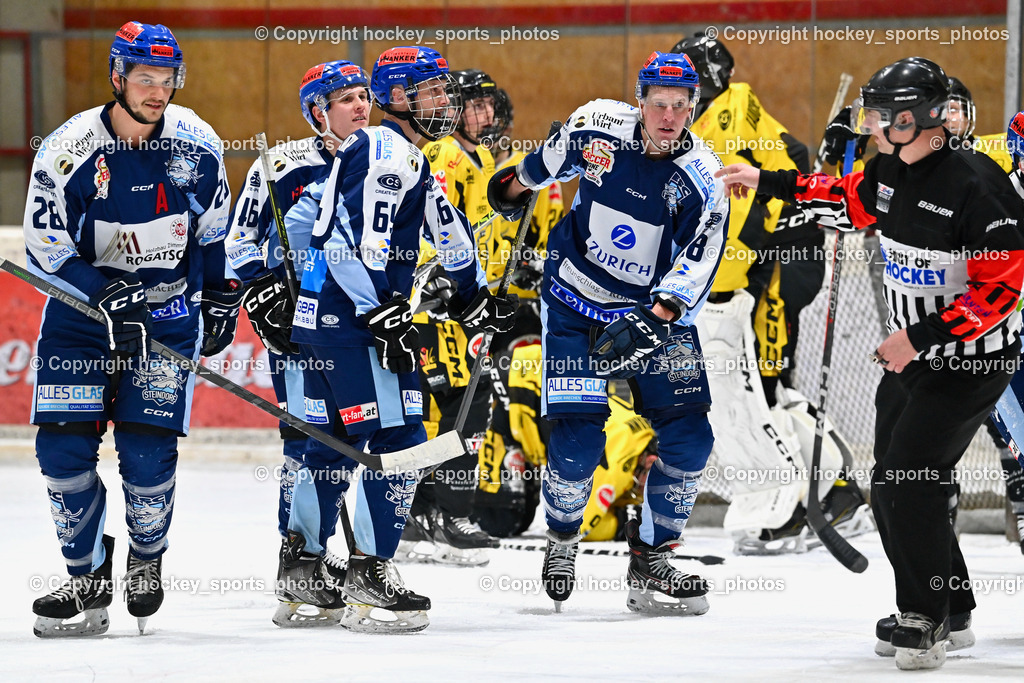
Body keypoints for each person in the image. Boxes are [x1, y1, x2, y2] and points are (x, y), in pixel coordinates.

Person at [718, 57, 1024, 670]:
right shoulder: (889, 170)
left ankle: (924, 617)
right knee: (895, 482)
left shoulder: (976, 184)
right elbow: (843, 194)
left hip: (969, 363)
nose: (872, 126)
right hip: (913, 358)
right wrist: (764, 179)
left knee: (903, 479)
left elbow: (1002, 288)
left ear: (921, 119)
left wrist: (920, 337)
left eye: (884, 117)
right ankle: (953, 604)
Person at [487, 51, 728, 615]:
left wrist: (656, 318)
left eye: (680, 107)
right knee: (575, 447)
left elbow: (699, 262)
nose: (668, 116)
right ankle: (564, 534)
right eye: (658, 104)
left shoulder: (703, 180)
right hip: (574, 301)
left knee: (692, 440)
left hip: (655, 313)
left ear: (693, 109)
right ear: (639, 101)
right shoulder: (597, 124)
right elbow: (540, 167)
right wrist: (513, 185)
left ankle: (652, 561)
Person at [289, 45, 516, 633]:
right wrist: (380, 313)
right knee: (404, 436)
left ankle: (303, 569)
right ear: (398, 97)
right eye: (433, 92)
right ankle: (369, 574)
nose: (446, 101)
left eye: (446, 90)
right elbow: (338, 238)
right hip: (350, 320)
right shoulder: (384, 150)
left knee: (334, 441)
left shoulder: (410, 156)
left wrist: (474, 301)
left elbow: (452, 235)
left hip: (337, 317)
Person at [25, 21, 237, 637]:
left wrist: (221, 298)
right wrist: (100, 293)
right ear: (117, 77)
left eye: (166, 79)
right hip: (81, 319)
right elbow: (44, 244)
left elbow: (215, 232)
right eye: (144, 78)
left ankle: (146, 556)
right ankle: (85, 579)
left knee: (146, 457)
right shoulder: (67, 149)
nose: (156, 90)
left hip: (164, 318)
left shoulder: (197, 143)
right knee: (62, 453)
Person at [670, 32, 868, 555]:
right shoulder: (713, 115)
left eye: (685, 75)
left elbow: (761, 192)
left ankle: (791, 505)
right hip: (767, 266)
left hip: (778, 267)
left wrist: (735, 272)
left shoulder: (728, 114)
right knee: (771, 389)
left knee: (757, 385)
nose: (677, 90)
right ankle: (835, 494)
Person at [224, 60, 370, 626]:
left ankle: (312, 553)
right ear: (317, 111)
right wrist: (264, 296)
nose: (361, 106)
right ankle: (300, 558)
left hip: (360, 331)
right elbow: (240, 242)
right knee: (311, 441)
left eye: (364, 96)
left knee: (350, 441)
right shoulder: (282, 166)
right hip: (301, 331)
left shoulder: (381, 161)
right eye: (346, 99)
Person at [401, 68, 508, 566]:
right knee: (453, 405)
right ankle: (445, 514)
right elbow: (429, 226)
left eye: (490, 106)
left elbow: (479, 231)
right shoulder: (441, 155)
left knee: (465, 404)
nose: (485, 115)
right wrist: (435, 274)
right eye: (475, 104)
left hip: (468, 303)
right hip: (439, 307)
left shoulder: (483, 157)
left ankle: (423, 515)